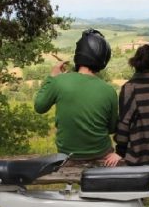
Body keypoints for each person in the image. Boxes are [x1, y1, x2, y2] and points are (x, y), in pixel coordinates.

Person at [34, 29, 119, 166]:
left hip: (67, 154)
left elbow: (39, 106)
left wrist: (52, 77)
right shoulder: (109, 91)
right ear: (103, 59)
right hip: (101, 153)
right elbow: (112, 128)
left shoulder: (59, 82)